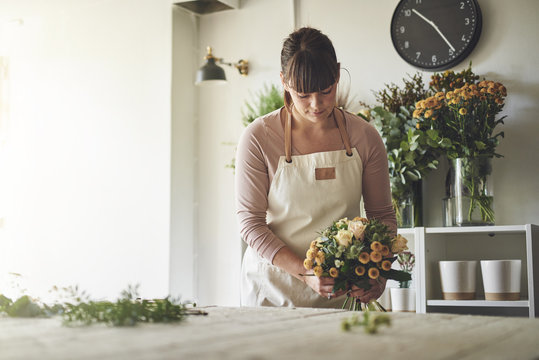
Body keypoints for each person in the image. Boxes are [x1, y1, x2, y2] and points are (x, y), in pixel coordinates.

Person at [235, 27, 396, 308]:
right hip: (274, 293)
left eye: (325, 91)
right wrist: (305, 272)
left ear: (337, 74)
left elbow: (381, 216)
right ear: (284, 82)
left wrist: (379, 273)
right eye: (303, 94)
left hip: (344, 295)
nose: (316, 105)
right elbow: (250, 224)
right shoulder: (259, 137)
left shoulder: (364, 137)